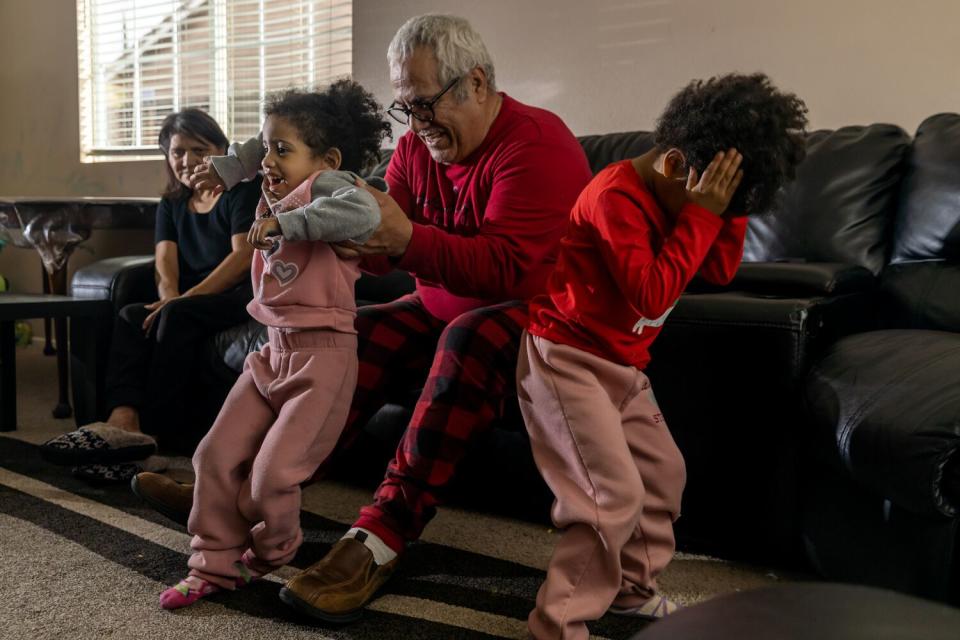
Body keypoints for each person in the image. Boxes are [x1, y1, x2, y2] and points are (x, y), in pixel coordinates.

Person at [134, 13, 593, 621]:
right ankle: (242, 493)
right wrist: (347, 236)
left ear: (476, 84)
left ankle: (380, 535)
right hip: (441, 304)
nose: (417, 125)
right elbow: (374, 239)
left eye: (426, 105)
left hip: (540, 317)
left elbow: (507, 269)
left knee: (468, 333)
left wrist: (403, 242)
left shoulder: (536, 146)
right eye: (407, 109)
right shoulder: (413, 149)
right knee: (356, 333)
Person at [517, 73, 808, 639]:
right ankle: (557, 624)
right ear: (676, 165)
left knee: (663, 475)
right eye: (707, 199)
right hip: (566, 360)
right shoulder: (612, 195)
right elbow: (651, 291)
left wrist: (724, 208)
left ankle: (630, 592)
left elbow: (718, 270)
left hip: (623, 367)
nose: (705, 213)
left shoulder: (689, 197)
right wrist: (702, 213)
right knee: (610, 498)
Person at [159, 80, 391, 609]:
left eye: (282, 150)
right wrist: (236, 163)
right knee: (213, 456)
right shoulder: (271, 188)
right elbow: (249, 153)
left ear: (327, 159)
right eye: (266, 148)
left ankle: (270, 552)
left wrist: (288, 221)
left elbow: (367, 216)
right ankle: (212, 566)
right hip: (271, 353)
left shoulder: (337, 194)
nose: (267, 159)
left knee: (270, 480)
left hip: (324, 359)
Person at [40, 108, 260, 483]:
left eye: (199, 149)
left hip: (236, 293)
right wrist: (168, 296)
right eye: (177, 152)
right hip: (191, 297)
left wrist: (183, 299)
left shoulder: (239, 192)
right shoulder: (173, 203)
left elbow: (243, 258)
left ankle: (155, 435)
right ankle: (122, 419)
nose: (187, 160)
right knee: (132, 314)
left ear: (221, 150)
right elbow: (164, 261)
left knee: (175, 315)